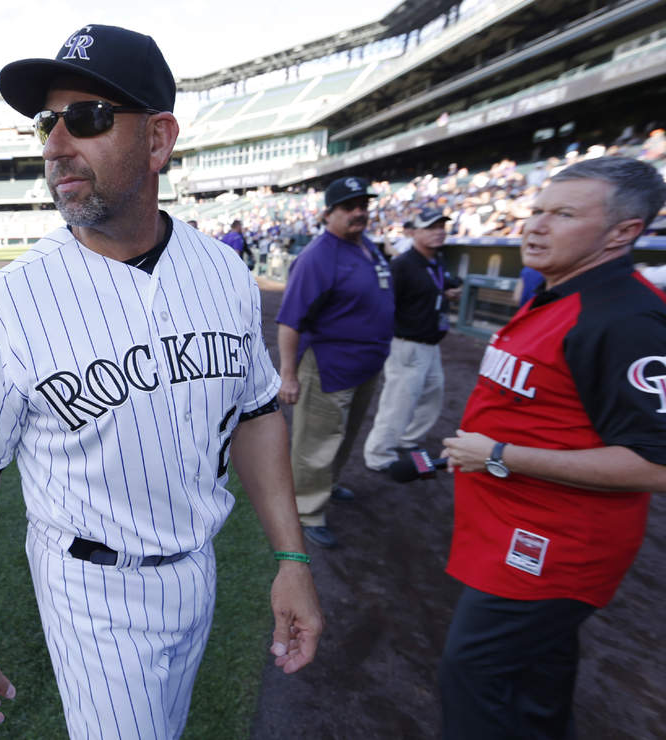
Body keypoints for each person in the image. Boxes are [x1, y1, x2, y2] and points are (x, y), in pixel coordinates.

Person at [0, 24, 322, 739]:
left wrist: (290, 557)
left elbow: (258, 411)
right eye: (47, 122)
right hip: (90, 587)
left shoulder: (223, 271)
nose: (55, 144)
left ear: (158, 139)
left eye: (87, 118)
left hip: (197, 567)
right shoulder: (11, 301)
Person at [439, 156, 666, 740]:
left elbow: (655, 463)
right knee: (537, 682)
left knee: (475, 677)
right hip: (514, 527)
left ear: (622, 232)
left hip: (552, 546)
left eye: (562, 215)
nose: (535, 226)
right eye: (536, 210)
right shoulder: (559, 290)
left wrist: (498, 455)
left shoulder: (627, 317)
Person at [276, 176, 395, 548]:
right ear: (328, 213)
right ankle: (307, 509)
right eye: (348, 207)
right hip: (329, 364)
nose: (358, 212)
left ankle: (327, 484)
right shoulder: (318, 256)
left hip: (365, 364)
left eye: (363, 205)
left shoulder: (367, 245)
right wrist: (288, 375)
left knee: (344, 434)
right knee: (316, 442)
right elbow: (290, 320)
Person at [363, 207, 462, 471]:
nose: (438, 232)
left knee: (432, 395)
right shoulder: (402, 264)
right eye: (430, 227)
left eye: (441, 226)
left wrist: (446, 293)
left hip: (431, 343)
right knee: (398, 402)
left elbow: (433, 287)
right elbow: (382, 304)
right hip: (406, 344)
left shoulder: (435, 260)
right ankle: (378, 454)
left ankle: (407, 439)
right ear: (413, 233)